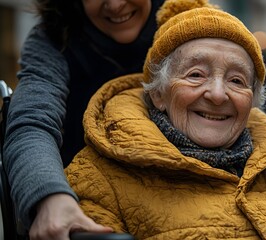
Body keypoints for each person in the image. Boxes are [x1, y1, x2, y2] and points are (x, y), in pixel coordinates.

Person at [64, 1, 266, 239]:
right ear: (159, 93)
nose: (218, 94)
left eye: (236, 81)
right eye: (195, 75)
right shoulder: (99, 176)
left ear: (253, 102)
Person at [3, 0, 166, 239]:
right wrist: (50, 196)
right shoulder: (54, 40)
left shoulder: (190, 21)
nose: (116, 5)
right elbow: (32, 124)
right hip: (85, 214)